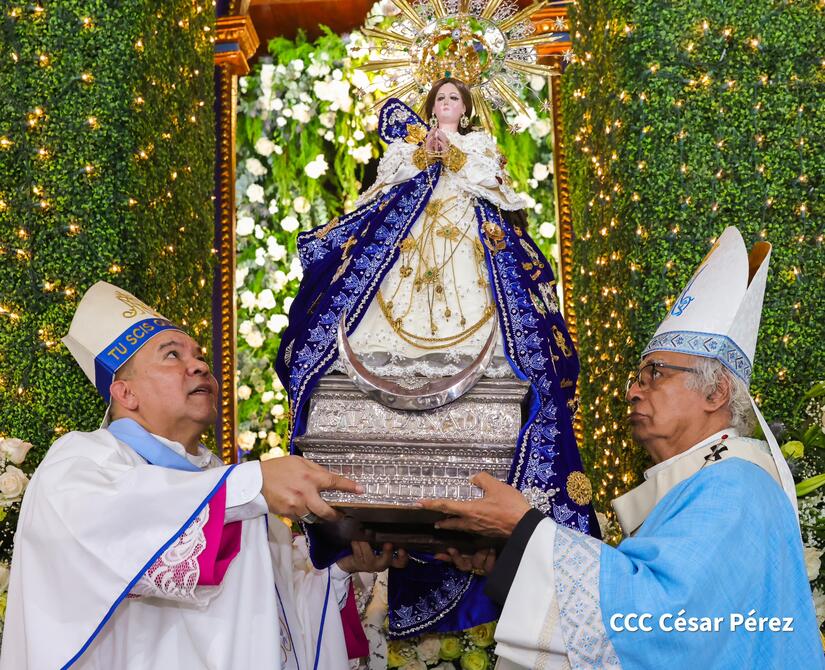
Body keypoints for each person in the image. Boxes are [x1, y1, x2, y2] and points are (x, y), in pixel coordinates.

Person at [275, 76, 598, 637]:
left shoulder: (476, 145)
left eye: (455, 100)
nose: (447, 105)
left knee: (491, 312)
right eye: (440, 99)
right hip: (409, 237)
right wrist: (420, 158)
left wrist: (457, 160)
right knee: (379, 302)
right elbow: (382, 188)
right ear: (431, 106)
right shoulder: (409, 144)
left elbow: (497, 186)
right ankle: (388, 367)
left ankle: (482, 372)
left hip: (465, 235)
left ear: (465, 109)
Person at [421, 227, 823, 667]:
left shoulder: (736, 487)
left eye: (655, 374)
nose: (632, 391)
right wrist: (511, 555)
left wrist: (523, 527)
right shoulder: (704, 485)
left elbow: (656, 621)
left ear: (716, 392)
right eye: (636, 378)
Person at [0, 281, 406, 669]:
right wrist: (253, 483)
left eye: (199, 357)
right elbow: (117, 524)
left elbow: (279, 624)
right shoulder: (82, 460)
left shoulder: (229, 483)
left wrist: (339, 571)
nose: (199, 366)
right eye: (172, 356)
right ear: (126, 393)